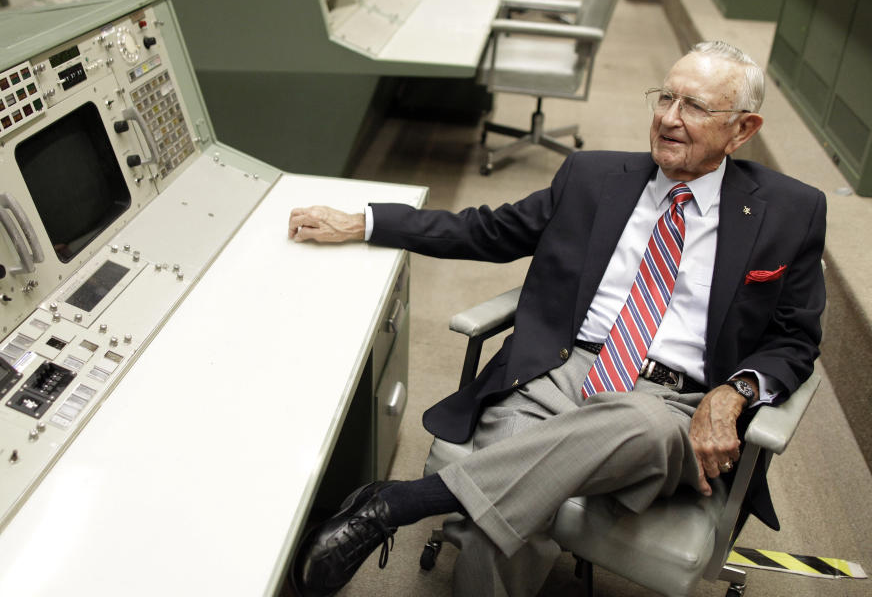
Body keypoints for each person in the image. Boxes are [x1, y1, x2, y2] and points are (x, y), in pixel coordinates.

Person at [287, 41, 826, 597]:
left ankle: (400, 502)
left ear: (742, 130)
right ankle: (425, 506)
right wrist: (367, 222)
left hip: (673, 407)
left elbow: (795, 338)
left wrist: (735, 391)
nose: (668, 118)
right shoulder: (593, 177)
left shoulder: (790, 211)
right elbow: (487, 230)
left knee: (638, 421)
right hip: (557, 374)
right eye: (665, 97)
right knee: (497, 528)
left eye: (694, 106)